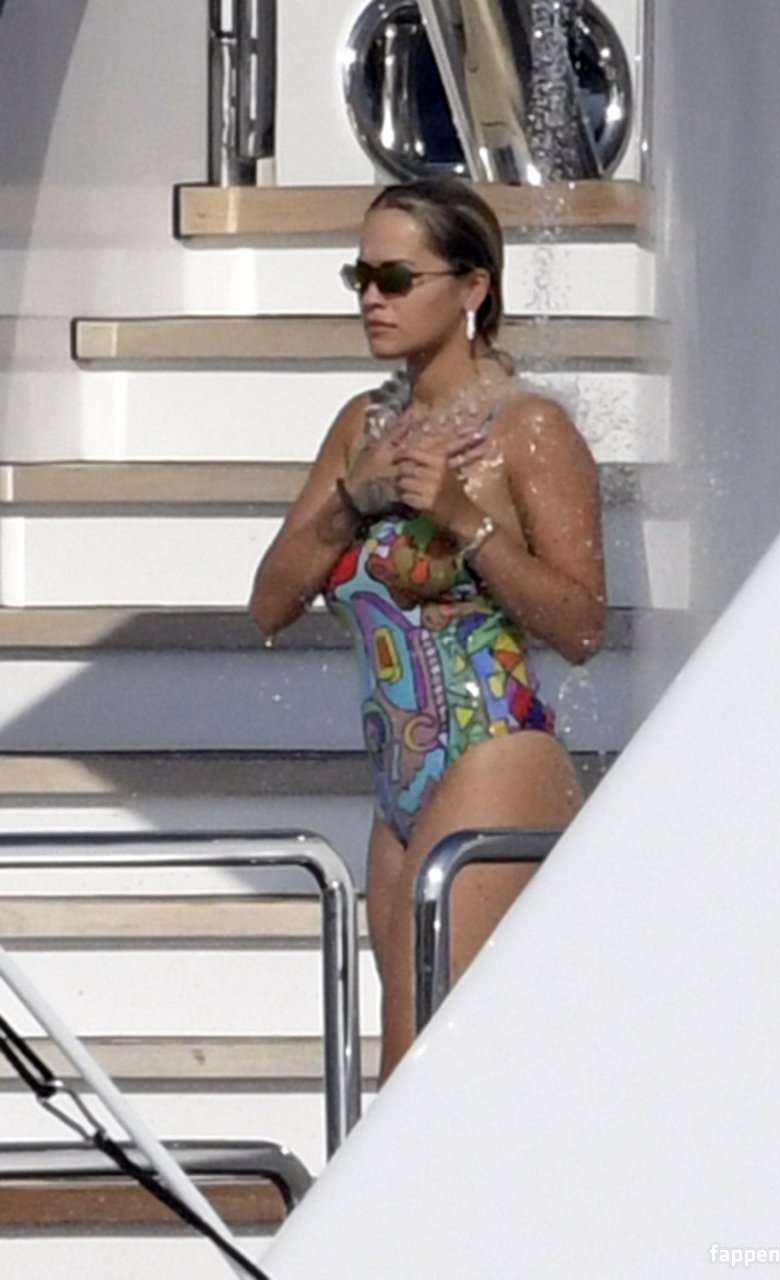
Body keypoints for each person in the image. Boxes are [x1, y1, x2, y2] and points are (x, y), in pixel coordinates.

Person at [249, 178, 605, 1082]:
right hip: (399, 782)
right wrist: (354, 500)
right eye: (361, 276)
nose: (373, 297)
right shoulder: (362, 429)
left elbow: (581, 624)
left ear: (473, 286)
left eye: (397, 278)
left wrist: (461, 519)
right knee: (416, 1060)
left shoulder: (527, 430)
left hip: (494, 752)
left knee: (421, 1063)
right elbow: (268, 605)